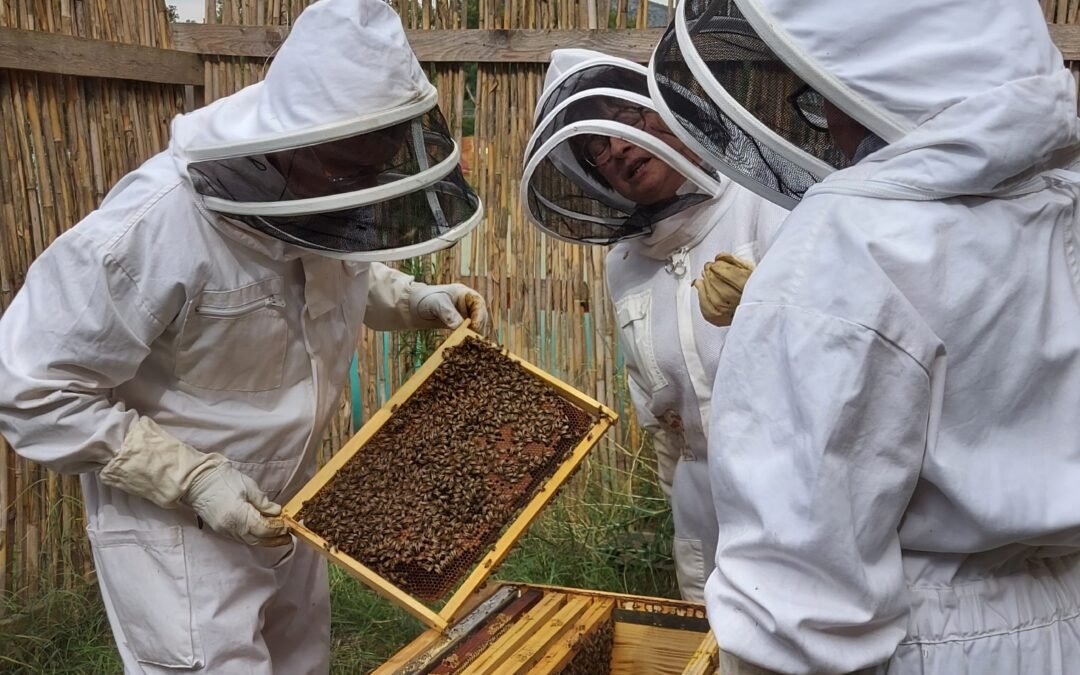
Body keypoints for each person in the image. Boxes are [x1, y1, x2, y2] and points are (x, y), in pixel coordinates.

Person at [0, 1, 488, 672]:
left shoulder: (322, 193)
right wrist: (190, 477)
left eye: (378, 166)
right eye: (351, 168)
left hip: (291, 503)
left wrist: (410, 298)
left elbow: (329, 267)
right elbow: (28, 385)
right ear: (292, 144)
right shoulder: (151, 228)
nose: (365, 189)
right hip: (179, 535)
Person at [661, 0, 1080, 672]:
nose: (831, 121)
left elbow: (796, 614)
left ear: (888, 61)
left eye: (827, 90)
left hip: (929, 648)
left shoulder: (846, 244)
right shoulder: (1062, 199)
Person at [521, 48, 787, 602]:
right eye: (596, 148)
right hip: (701, 519)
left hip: (796, 492)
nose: (617, 149)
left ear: (664, 105)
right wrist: (679, 515)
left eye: (628, 121)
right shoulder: (623, 264)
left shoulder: (764, 199)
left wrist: (772, 304)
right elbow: (665, 422)